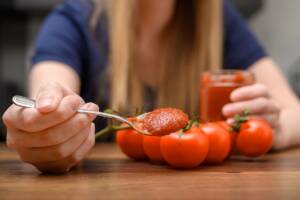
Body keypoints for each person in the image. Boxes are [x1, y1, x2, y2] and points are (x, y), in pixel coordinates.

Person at [2, 0, 300, 173]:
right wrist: (46, 127)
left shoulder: (219, 19)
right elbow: (49, 89)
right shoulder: (77, 18)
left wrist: (276, 130)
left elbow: (295, 113)